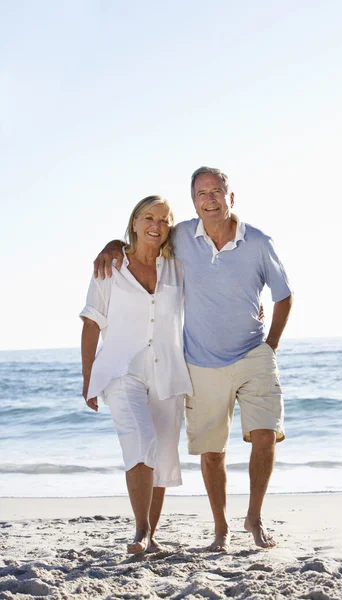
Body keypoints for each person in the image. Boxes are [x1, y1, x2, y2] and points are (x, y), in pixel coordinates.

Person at [94, 168, 293, 552]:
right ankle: (221, 529)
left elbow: (285, 295)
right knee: (212, 452)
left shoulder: (258, 242)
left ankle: (254, 516)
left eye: (217, 192)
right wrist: (111, 245)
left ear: (230, 198)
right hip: (200, 361)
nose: (210, 199)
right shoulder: (182, 235)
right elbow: (143, 237)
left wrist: (271, 344)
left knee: (266, 435)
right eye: (202, 193)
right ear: (194, 201)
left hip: (254, 352)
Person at [80, 195, 192, 554]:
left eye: (164, 220)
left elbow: (213, 292)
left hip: (168, 371)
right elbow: (91, 323)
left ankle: (151, 534)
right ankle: (140, 530)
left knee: (162, 453)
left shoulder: (178, 266)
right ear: (134, 222)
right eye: (148, 217)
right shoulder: (109, 267)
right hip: (120, 370)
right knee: (141, 441)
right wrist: (88, 378)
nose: (155, 226)